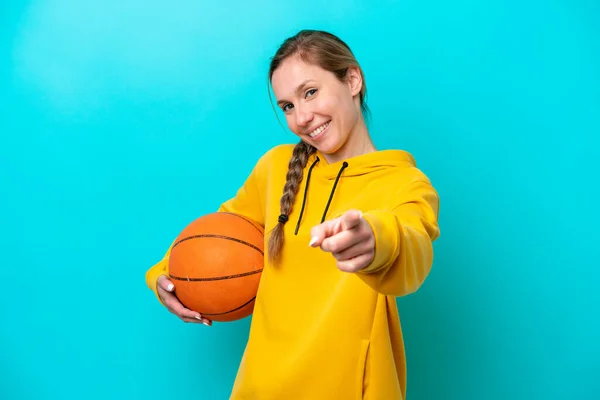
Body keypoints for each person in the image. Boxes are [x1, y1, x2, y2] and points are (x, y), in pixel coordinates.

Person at [145, 29, 440, 400]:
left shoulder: (405, 183)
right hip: (259, 388)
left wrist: (377, 239)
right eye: (287, 106)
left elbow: (413, 244)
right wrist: (165, 278)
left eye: (310, 92)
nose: (302, 117)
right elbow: (216, 237)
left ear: (352, 79)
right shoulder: (276, 168)